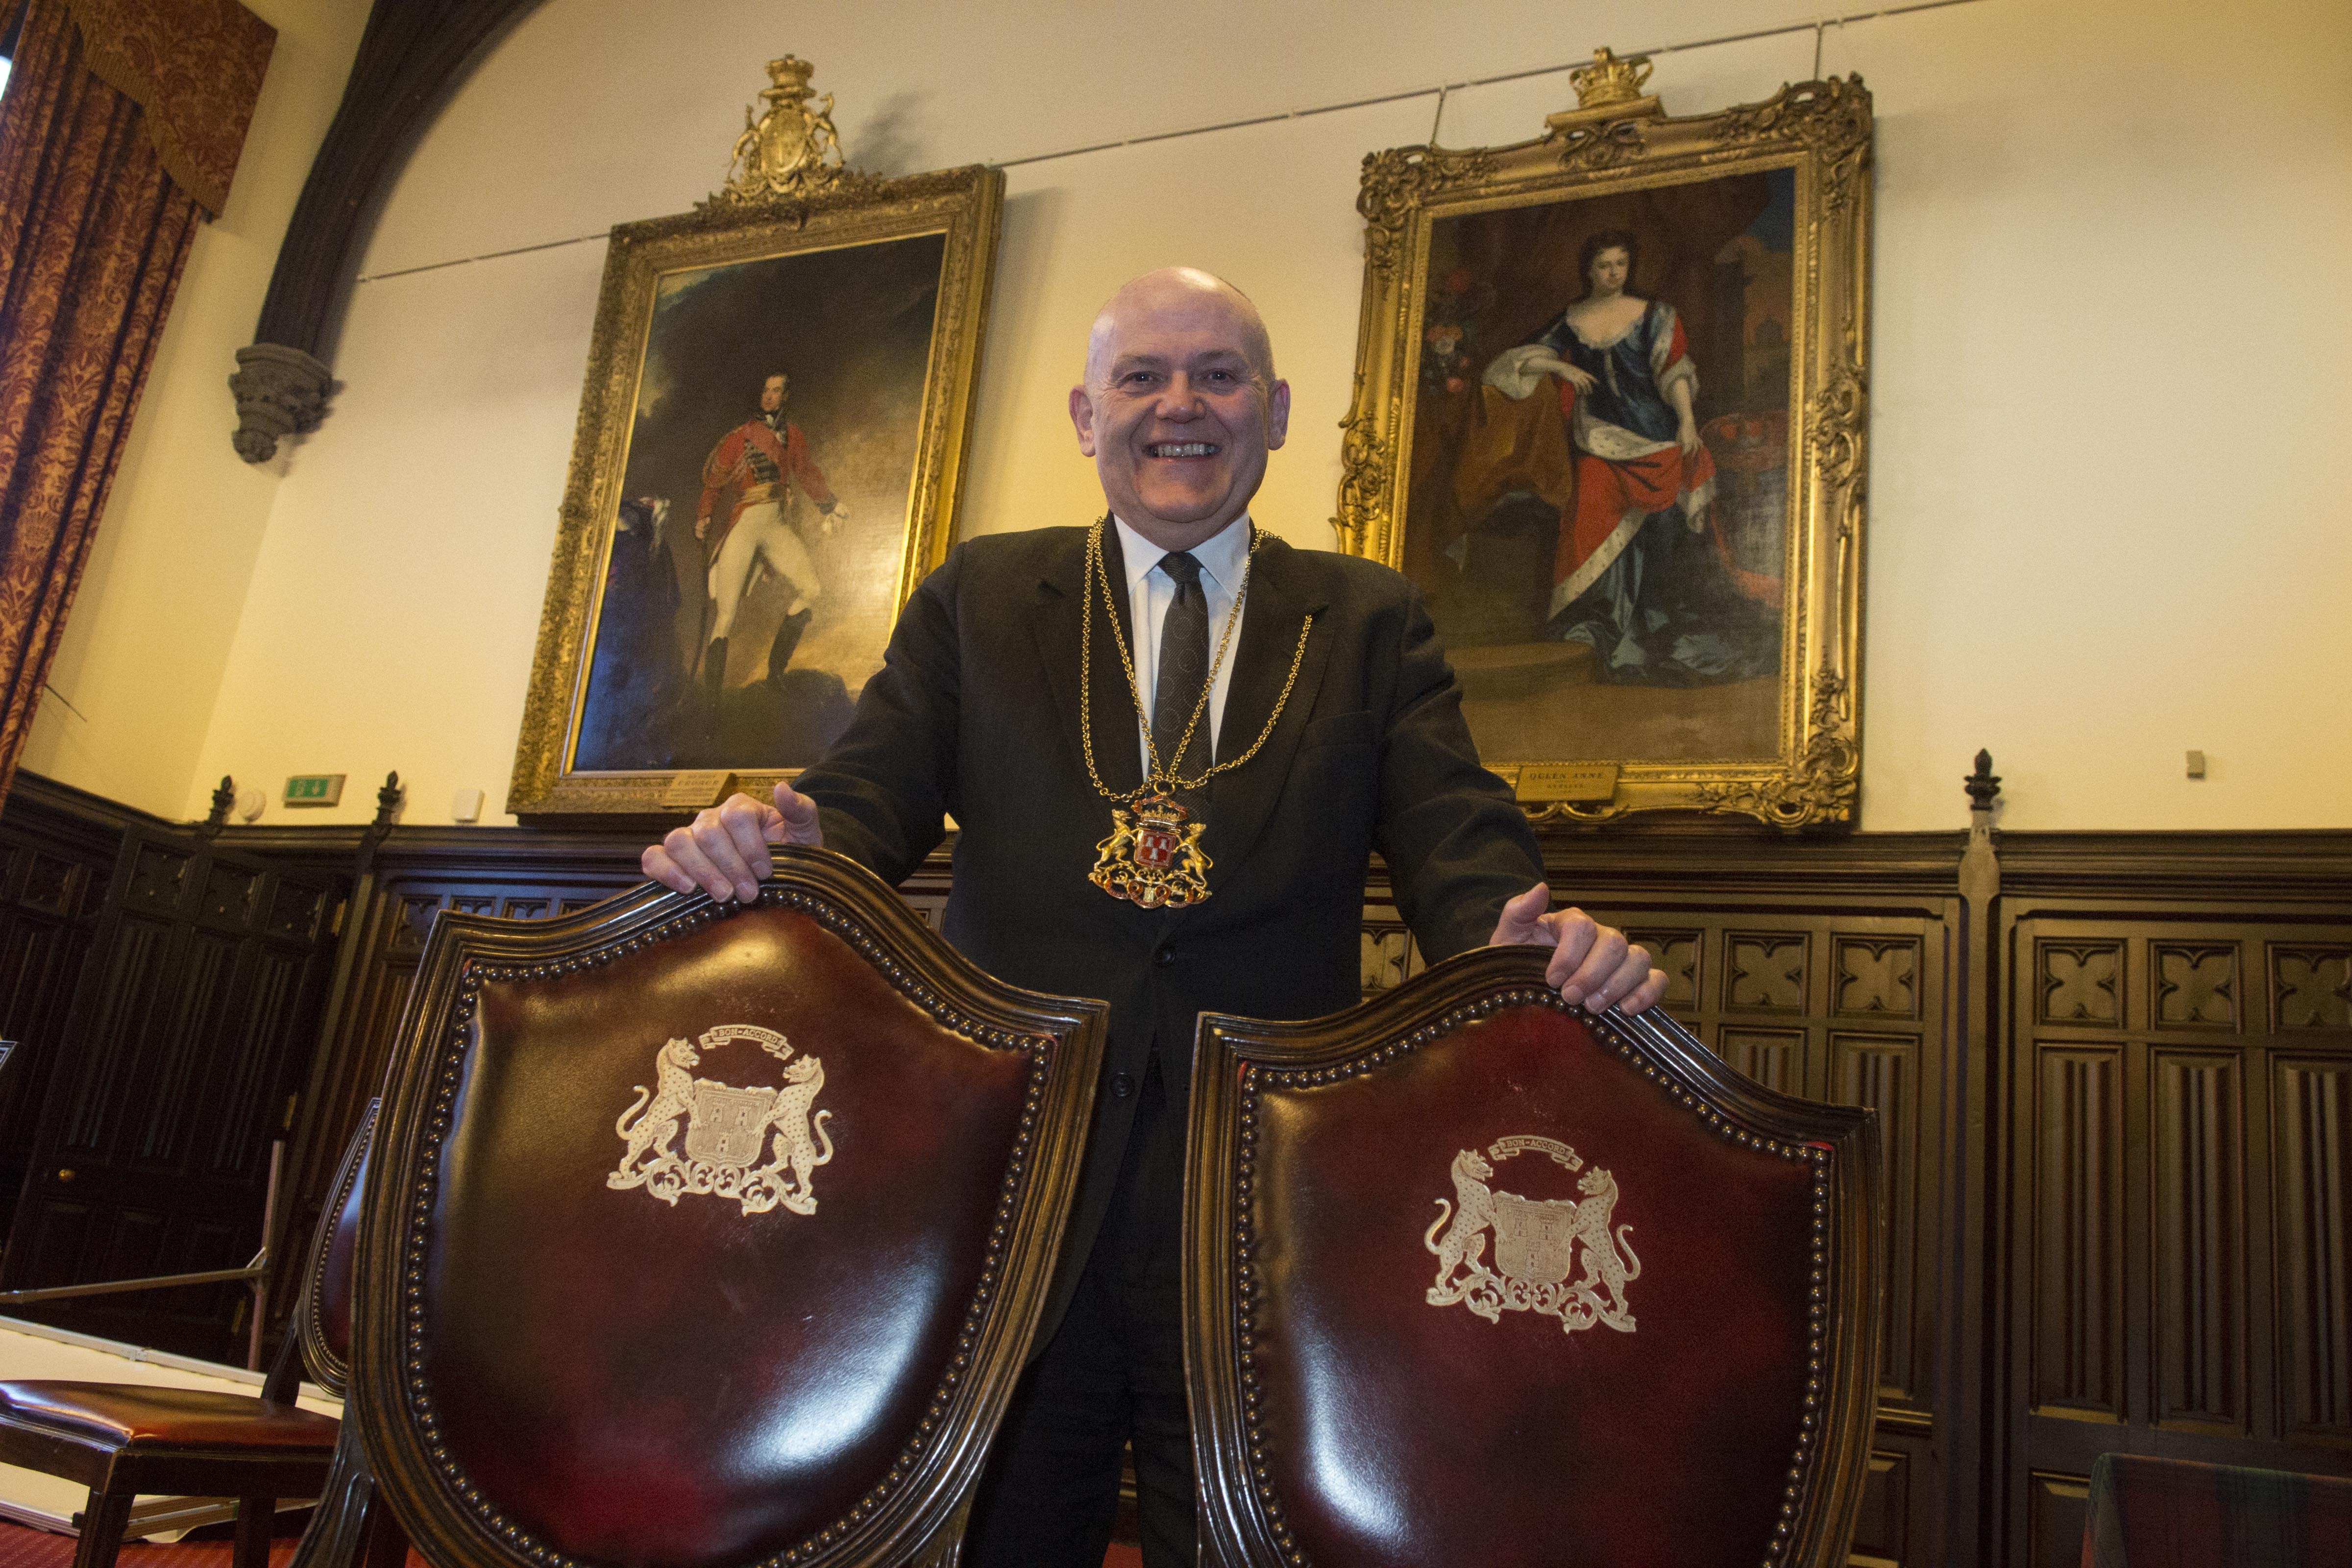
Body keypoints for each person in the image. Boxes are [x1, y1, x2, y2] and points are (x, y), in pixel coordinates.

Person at [644, 268, 1666, 1568]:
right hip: (1013, 1178)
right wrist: (778, 842)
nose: (1181, 406)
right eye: (1144, 377)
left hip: (1261, 1201)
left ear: (1276, 410)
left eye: (1218, 376)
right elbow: (863, 802)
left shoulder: (1365, 619)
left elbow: (1459, 850)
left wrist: (1524, 945)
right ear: (1087, 415)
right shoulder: (985, 599)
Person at [1480, 230, 1774, 683]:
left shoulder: (1654, 316)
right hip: (1598, 441)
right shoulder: (1573, 320)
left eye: (1620, 264)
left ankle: (1661, 625)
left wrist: (1688, 422)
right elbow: (1513, 363)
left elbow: (1673, 373)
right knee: (1593, 525)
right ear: (1589, 270)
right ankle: (1606, 628)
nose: (1613, 273)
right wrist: (1562, 366)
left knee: (1664, 537)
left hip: (1658, 441)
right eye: (1604, 265)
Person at [693, 370, 849, 708]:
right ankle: (710, 704)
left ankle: (776, 674)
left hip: (776, 526)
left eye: (776, 391)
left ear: (786, 396)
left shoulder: (793, 436)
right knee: (727, 613)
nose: (769, 396)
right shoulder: (741, 437)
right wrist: (704, 515)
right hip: (746, 525)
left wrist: (829, 505)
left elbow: (806, 472)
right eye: (765, 390)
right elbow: (715, 483)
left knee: (812, 590)